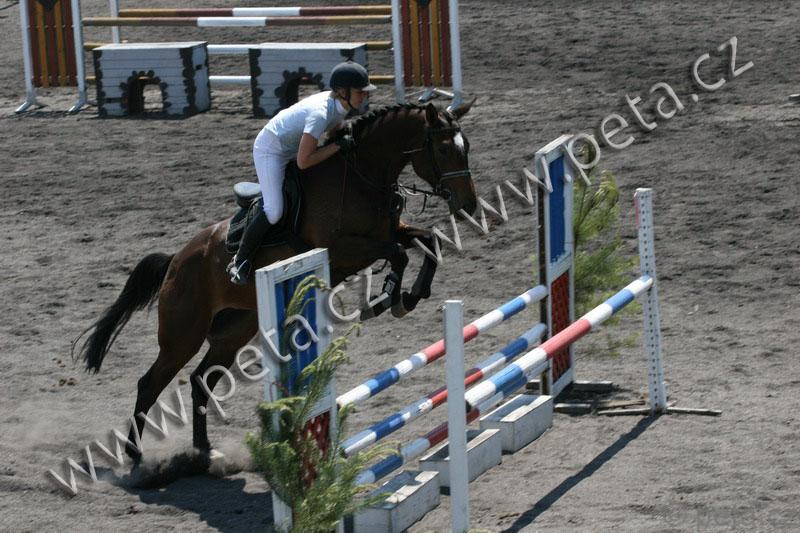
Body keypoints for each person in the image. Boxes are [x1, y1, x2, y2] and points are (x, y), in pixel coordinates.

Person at [227, 61, 377, 285]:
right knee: (274, 211)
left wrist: (341, 140)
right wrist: (337, 146)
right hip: (271, 150)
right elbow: (304, 162)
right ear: (343, 92)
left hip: (293, 147)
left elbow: (333, 130)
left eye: (365, 92)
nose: (364, 96)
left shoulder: (340, 106)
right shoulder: (320, 114)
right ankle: (240, 260)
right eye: (360, 92)